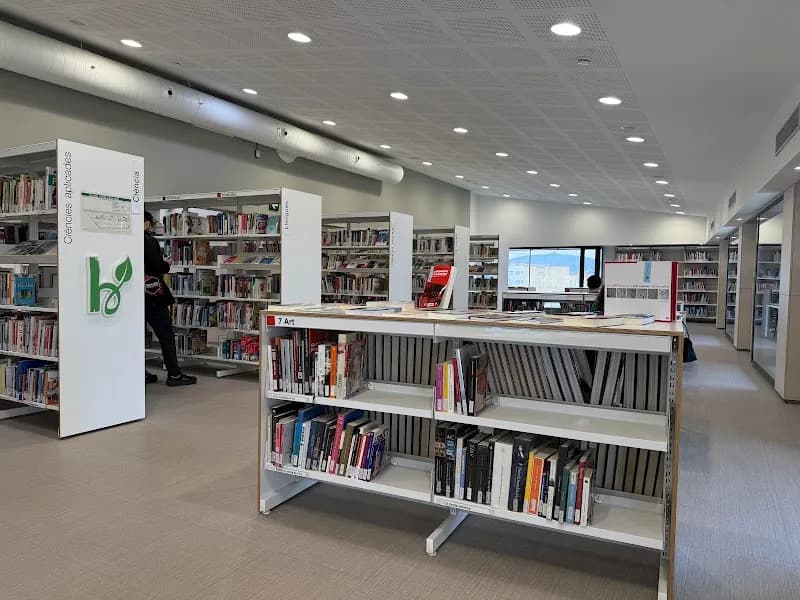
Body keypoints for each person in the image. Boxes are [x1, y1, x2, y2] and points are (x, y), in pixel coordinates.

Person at [144, 211, 197, 386]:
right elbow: (156, 266)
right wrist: (165, 263)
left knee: (136, 336)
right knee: (166, 335)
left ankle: (138, 373)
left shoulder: (126, 240)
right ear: (146, 223)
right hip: (152, 294)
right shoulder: (149, 241)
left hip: (133, 295)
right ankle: (174, 374)